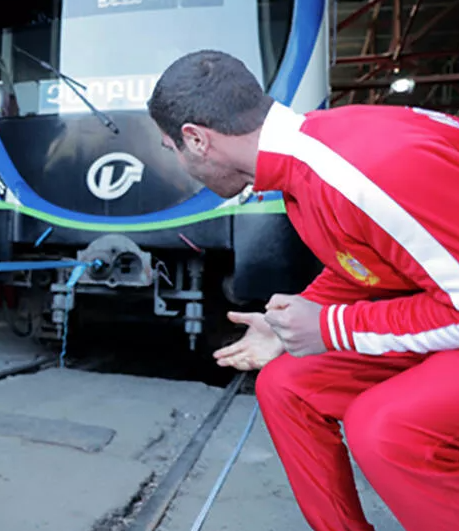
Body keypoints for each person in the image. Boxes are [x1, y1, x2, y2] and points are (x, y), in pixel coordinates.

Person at [146, 49, 459, 531]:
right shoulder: (307, 162)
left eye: (174, 151)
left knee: (388, 428)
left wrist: (329, 327)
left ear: (196, 139)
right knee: (286, 384)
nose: (182, 167)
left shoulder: (358, 171)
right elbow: (367, 265)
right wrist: (295, 319)